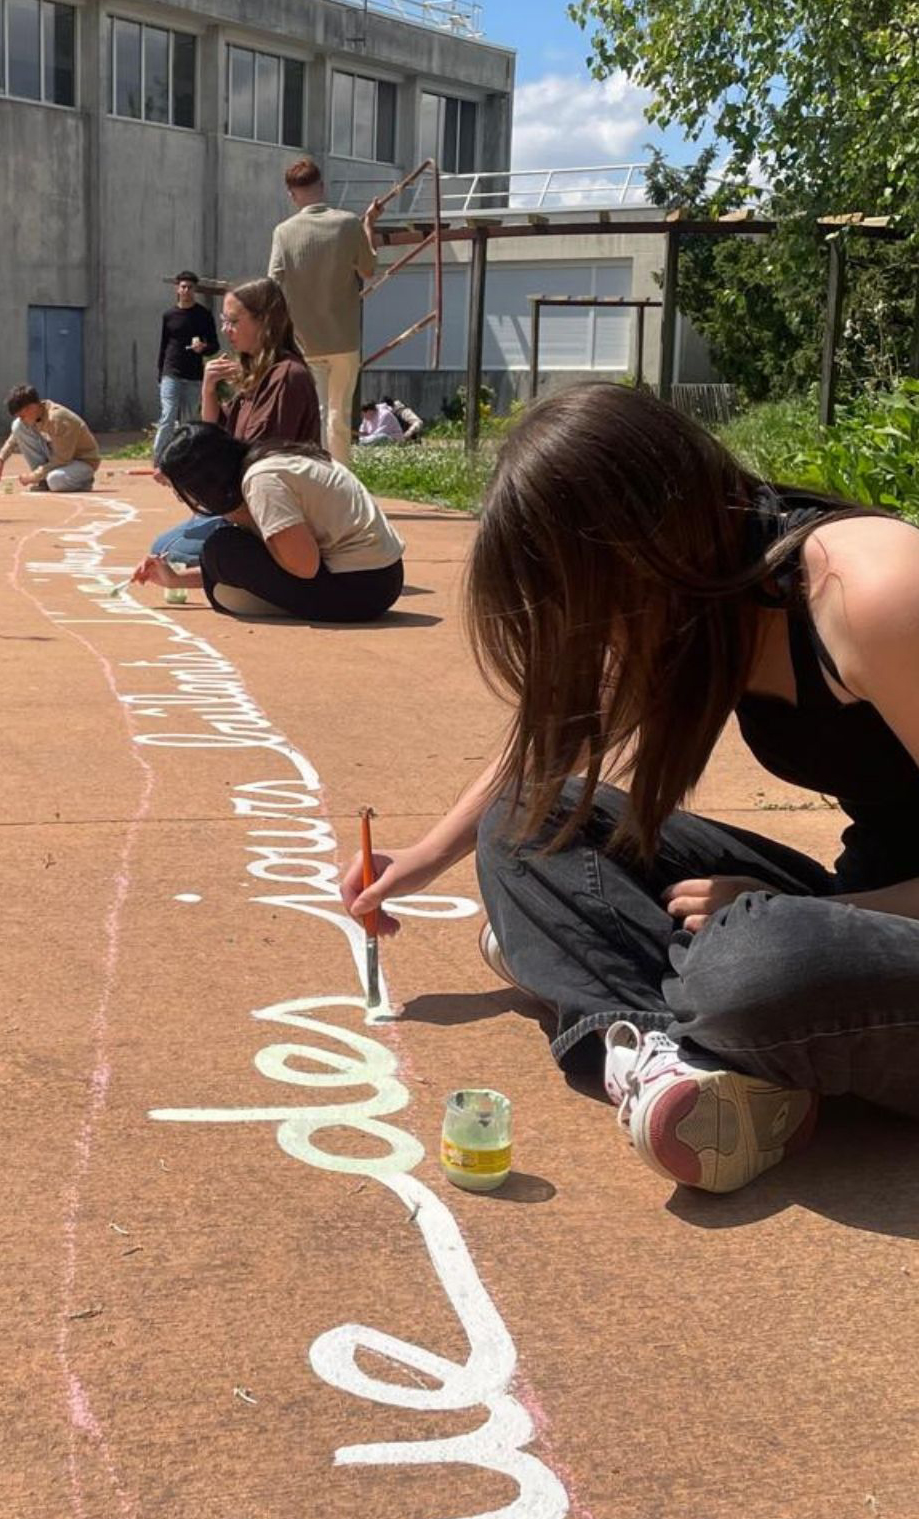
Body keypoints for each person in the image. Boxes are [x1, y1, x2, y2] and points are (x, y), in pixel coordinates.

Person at [341, 382, 919, 1196]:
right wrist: (425, 859)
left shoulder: (874, 593)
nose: (592, 642)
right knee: (524, 820)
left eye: (585, 609)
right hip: (861, 914)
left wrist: (823, 918)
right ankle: (681, 1057)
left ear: (645, 555)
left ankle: (639, 985)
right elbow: (552, 739)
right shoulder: (708, 594)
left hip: (858, 928)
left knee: (757, 963)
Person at [132, 422, 405, 622]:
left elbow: (304, 565)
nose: (185, 499)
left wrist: (241, 521)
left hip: (361, 590)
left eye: (185, 491)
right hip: (377, 577)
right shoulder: (265, 459)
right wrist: (176, 580)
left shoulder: (262, 481)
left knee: (222, 550)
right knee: (222, 564)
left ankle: (280, 605)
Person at [147, 277, 321, 569]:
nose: (226, 330)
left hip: (271, 509)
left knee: (175, 554)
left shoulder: (287, 377)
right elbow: (214, 434)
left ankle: (270, 559)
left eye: (233, 321)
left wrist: (194, 479)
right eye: (223, 321)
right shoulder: (256, 372)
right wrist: (209, 390)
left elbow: (256, 457)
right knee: (163, 547)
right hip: (244, 501)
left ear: (264, 322)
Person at [268, 157, 381, 465]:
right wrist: (369, 224)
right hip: (344, 338)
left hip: (305, 339)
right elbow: (369, 268)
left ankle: (320, 478)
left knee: (316, 413)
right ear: (321, 186)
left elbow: (273, 283)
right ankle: (342, 481)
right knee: (339, 415)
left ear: (292, 194)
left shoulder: (283, 232)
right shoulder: (348, 223)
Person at [152, 270, 219, 472]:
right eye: (183, 286)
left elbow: (214, 345)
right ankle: (159, 460)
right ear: (177, 289)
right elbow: (164, 345)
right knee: (168, 416)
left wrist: (203, 348)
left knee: (188, 421)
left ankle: (183, 460)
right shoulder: (169, 315)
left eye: (190, 287)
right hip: (170, 372)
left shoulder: (203, 315)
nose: (186, 290)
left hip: (193, 376)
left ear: (195, 290)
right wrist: (160, 374)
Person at [0, 384, 100, 492]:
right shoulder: (35, 416)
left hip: (81, 461)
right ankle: (44, 481)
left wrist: (33, 476)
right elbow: (14, 438)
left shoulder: (57, 419)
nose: (22, 420)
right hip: (58, 457)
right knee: (17, 426)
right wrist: (0, 460)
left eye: (22, 416)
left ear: (32, 407)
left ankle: (84, 481)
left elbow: (62, 459)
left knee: (55, 480)